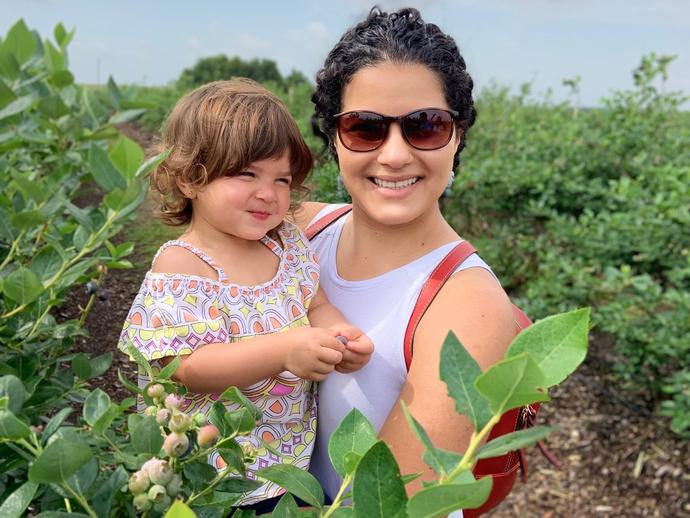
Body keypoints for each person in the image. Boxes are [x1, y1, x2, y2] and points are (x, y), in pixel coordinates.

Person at [293, 7, 518, 503]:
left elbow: (389, 511)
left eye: (426, 125)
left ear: (457, 135)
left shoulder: (467, 307)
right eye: (365, 128)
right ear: (334, 137)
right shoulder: (298, 227)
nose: (394, 154)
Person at [117, 79, 373, 514]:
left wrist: (340, 333)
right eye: (246, 173)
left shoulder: (286, 245)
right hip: (211, 474)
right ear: (189, 178)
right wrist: (283, 350)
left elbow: (316, 304)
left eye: (282, 178)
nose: (268, 193)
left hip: (286, 460)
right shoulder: (185, 266)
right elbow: (183, 367)